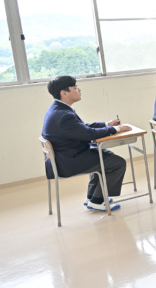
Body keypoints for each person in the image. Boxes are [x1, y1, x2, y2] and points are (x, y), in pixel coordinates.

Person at [41, 76, 131, 212]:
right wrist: (116, 129)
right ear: (64, 93)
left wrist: (107, 124)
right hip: (68, 162)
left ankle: (92, 196)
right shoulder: (63, 114)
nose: (79, 90)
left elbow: (82, 128)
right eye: (75, 87)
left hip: (65, 157)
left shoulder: (58, 109)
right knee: (117, 163)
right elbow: (89, 134)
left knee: (106, 156)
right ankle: (97, 201)